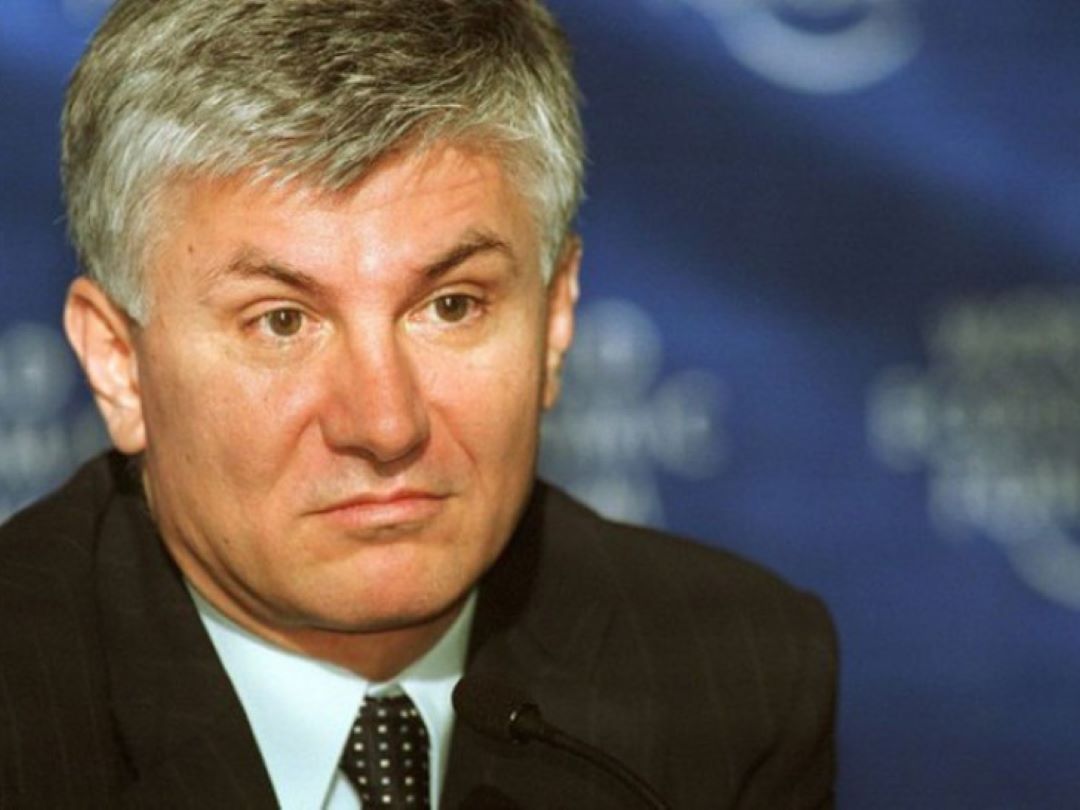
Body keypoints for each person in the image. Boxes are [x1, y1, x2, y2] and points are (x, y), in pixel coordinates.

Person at [0, 1, 837, 807]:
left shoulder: (735, 680)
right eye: (282, 321)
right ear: (118, 364)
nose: (386, 425)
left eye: (452, 306)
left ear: (555, 319)